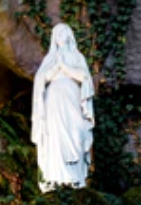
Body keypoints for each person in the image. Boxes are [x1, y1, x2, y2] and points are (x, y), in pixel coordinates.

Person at [31, 23, 95, 193]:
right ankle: (57, 178)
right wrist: (55, 69)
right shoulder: (50, 58)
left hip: (72, 100)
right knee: (55, 136)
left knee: (76, 132)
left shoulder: (76, 56)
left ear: (69, 35)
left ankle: (76, 177)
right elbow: (41, 80)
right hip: (53, 102)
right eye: (56, 33)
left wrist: (65, 67)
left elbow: (84, 77)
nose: (60, 35)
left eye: (63, 31)